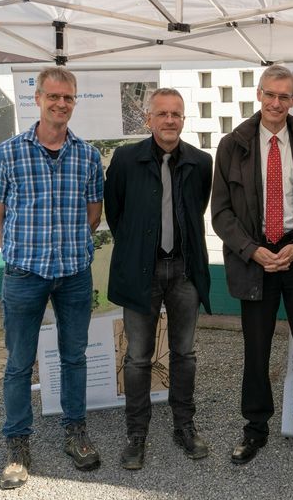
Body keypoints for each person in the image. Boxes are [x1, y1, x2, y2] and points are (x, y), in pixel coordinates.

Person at [210, 64, 293, 474]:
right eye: (270, 94)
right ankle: (255, 428)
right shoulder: (233, 145)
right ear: (259, 95)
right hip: (256, 259)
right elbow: (221, 213)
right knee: (256, 349)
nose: (276, 103)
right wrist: (252, 250)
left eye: (284, 96)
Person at [0, 67, 104, 490]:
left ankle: (76, 433)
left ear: (74, 101)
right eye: (53, 96)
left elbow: (93, 215)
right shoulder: (7, 154)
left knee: (74, 357)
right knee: (18, 363)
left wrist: (67, 247)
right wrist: (18, 252)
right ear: (38, 99)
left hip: (73, 275)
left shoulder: (87, 156)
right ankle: (17, 444)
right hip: (24, 275)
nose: (61, 104)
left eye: (68, 98)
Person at [104, 88, 213, 470]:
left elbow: (195, 209)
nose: (170, 120)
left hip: (184, 270)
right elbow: (116, 212)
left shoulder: (201, 162)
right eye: (162, 113)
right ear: (148, 119)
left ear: (184, 120)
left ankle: (184, 425)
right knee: (137, 358)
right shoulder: (125, 159)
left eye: (176, 114)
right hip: (141, 272)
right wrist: (139, 250)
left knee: (185, 353)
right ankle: (137, 433)